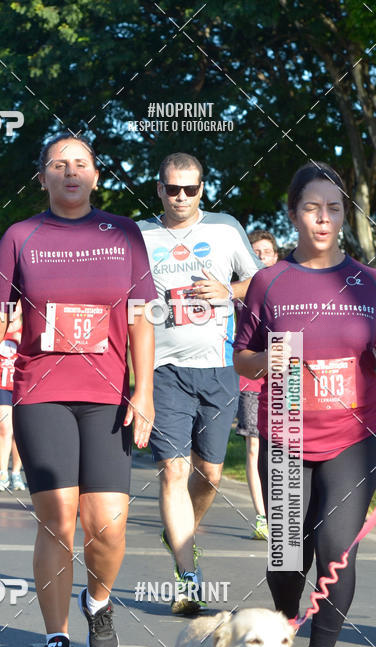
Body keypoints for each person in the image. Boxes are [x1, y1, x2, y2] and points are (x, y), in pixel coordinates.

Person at [0, 132, 156, 647]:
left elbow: (140, 318)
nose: (70, 171)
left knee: (107, 526)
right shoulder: (22, 237)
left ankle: (99, 601)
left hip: (107, 395)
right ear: (41, 177)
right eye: (58, 164)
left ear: (96, 175)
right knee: (60, 520)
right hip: (40, 392)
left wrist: (145, 389)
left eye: (81, 163)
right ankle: (57, 636)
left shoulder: (124, 234)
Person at [234, 161, 376, 647]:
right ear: (294, 214)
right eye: (312, 208)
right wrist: (267, 358)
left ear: (344, 215)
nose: (323, 218)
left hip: (353, 436)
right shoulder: (270, 282)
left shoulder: (366, 283)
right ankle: (287, 620)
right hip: (287, 430)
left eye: (334, 208)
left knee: (338, 548)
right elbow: (243, 358)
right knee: (288, 556)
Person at [137, 152, 260, 614]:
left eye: (190, 189)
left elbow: (261, 283)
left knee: (208, 474)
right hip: (163, 369)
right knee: (173, 470)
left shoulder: (225, 229)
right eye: (173, 189)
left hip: (218, 367)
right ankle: (188, 578)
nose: (181, 197)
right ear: (159, 189)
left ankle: (179, 532)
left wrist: (228, 291)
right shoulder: (141, 235)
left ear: (203, 189)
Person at [235, 230, 280, 541]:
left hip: (283, 378)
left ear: (275, 256)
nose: (261, 256)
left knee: (283, 447)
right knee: (254, 447)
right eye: (255, 252)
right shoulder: (239, 292)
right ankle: (262, 516)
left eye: (266, 251)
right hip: (250, 379)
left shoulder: (287, 286)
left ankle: (286, 512)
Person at [0, 303, 26, 491]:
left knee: (19, 431)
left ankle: (16, 472)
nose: (13, 309)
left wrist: (24, 342)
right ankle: (2, 473)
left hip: (22, 385)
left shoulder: (29, 329)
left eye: (16, 305)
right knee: (4, 427)